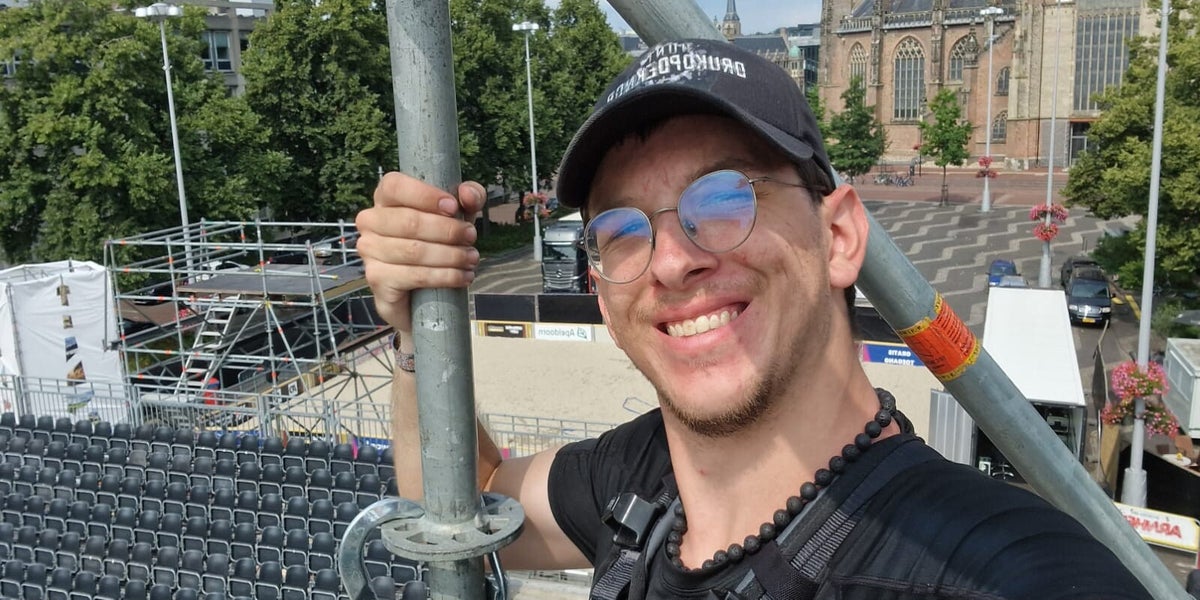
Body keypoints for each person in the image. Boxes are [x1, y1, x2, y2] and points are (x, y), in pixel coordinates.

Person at [357, 39, 1150, 599]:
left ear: (840, 237)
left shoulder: (988, 565)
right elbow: (464, 499)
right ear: (601, 290)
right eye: (624, 229)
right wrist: (418, 329)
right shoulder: (636, 478)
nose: (672, 261)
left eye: (724, 196)